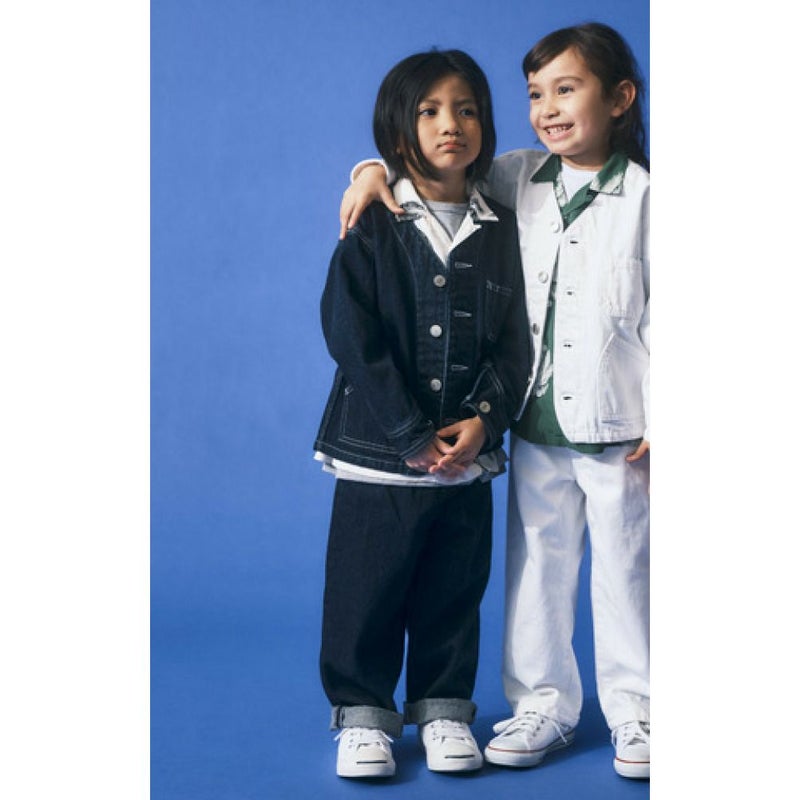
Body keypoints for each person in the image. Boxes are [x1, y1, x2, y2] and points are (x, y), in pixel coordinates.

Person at [338, 22, 650, 780]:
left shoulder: (651, 199)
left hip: (618, 426)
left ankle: (638, 710)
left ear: (620, 98)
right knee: (536, 568)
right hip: (533, 426)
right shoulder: (518, 178)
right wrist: (368, 171)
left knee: (626, 570)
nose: (547, 108)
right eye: (536, 94)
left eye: (567, 90)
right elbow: (428, 167)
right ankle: (543, 703)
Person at [314, 48, 532, 780]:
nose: (451, 124)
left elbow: (516, 341)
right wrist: (406, 430)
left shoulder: (502, 226)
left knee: (453, 591)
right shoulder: (375, 218)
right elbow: (350, 332)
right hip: (379, 454)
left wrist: (487, 419)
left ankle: (443, 710)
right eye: (430, 111)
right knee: (365, 588)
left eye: (467, 110)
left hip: (465, 459)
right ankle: (363, 716)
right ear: (397, 127)